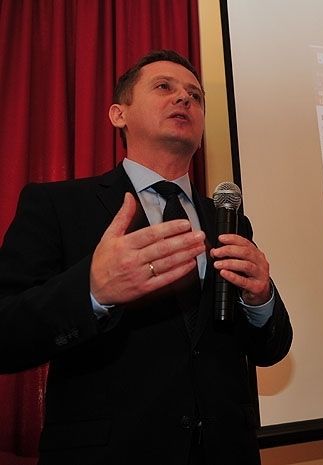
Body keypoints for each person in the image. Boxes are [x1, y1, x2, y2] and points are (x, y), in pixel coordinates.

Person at [0, 50, 292, 465]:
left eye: (195, 95)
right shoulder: (57, 206)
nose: (184, 98)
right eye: (163, 87)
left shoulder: (227, 219)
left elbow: (270, 350)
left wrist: (260, 301)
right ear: (118, 114)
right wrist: (92, 291)